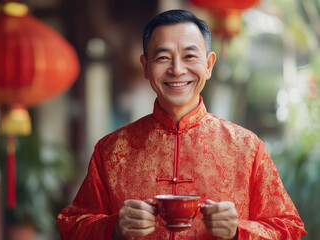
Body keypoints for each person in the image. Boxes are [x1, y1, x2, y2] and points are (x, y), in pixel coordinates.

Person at [57, 9, 307, 240]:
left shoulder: (247, 148)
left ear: (208, 65)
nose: (177, 70)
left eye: (189, 56)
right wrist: (114, 227)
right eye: (163, 57)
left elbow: (290, 228)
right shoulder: (112, 150)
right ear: (146, 67)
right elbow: (71, 224)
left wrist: (238, 231)